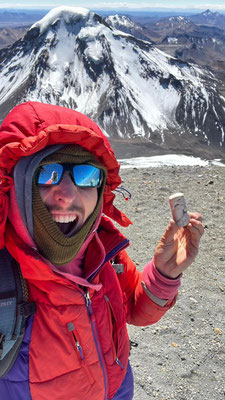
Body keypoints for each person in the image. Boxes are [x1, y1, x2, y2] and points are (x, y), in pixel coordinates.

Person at [0, 101, 204, 400]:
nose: (68, 195)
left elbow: (133, 308)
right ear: (16, 185)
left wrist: (164, 274)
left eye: (86, 176)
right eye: (47, 173)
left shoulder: (102, 251)